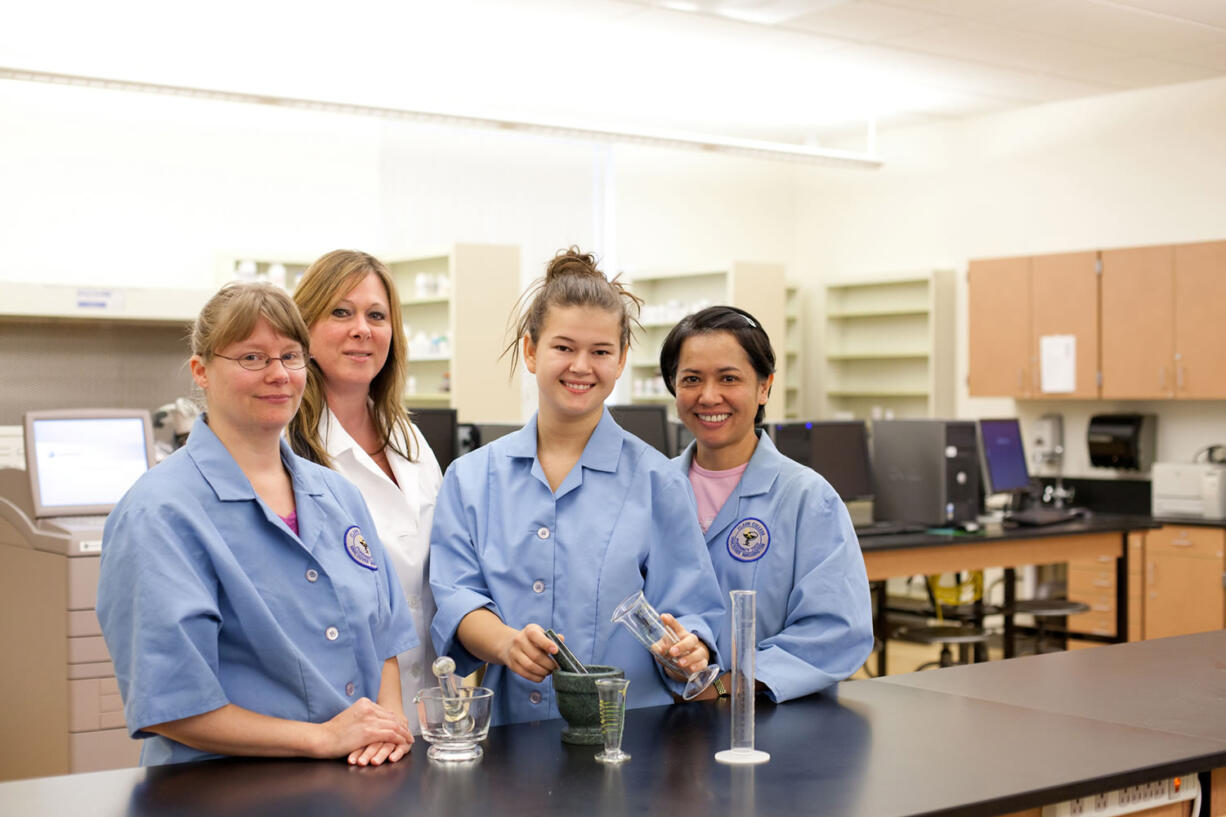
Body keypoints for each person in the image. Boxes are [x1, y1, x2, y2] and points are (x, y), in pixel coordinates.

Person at [97, 282, 417, 767]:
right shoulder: (159, 512)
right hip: (220, 791)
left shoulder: (338, 495)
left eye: (291, 357)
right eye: (252, 358)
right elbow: (169, 703)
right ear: (201, 371)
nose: (279, 376)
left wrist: (385, 729)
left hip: (353, 784)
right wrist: (322, 739)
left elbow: (386, 638)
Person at [429, 248, 725, 726]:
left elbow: (691, 607)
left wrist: (690, 646)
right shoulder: (470, 478)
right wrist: (507, 643)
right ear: (531, 351)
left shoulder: (657, 479)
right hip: (514, 738)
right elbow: (458, 597)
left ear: (622, 359)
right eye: (563, 347)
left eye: (601, 351)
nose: (581, 366)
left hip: (632, 736)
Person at [658, 305, 873, 702]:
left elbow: (837, 631)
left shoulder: (807, 498)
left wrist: (724, 685)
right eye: (691, 379)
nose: (708, 396)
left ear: (764, 387)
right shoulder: (651, 491)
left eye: (728, 378)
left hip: (769, 721)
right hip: (664, 726)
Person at [289, 249, 442, 733]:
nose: (363, 329)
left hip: (427, 708)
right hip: (337, 714)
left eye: (377, 315)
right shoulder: (286, 447)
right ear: (303, 328)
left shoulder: (409, 439)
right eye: (341, 312)